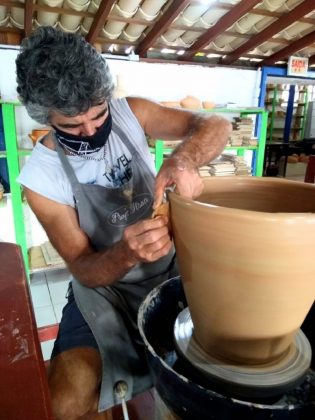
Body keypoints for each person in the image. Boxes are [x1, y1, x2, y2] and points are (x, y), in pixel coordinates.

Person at [16, 26, 231, 420]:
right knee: (66, 403)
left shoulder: (132, 112)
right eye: (72, 126)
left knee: (226, 357)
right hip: (107, 291)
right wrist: (124, 253)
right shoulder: (40, 179)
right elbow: (84, 268)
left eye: (98, 115)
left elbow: (215, 124)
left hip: (172, 268)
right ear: (45, 116)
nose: (92, 130)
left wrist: (184, 158)